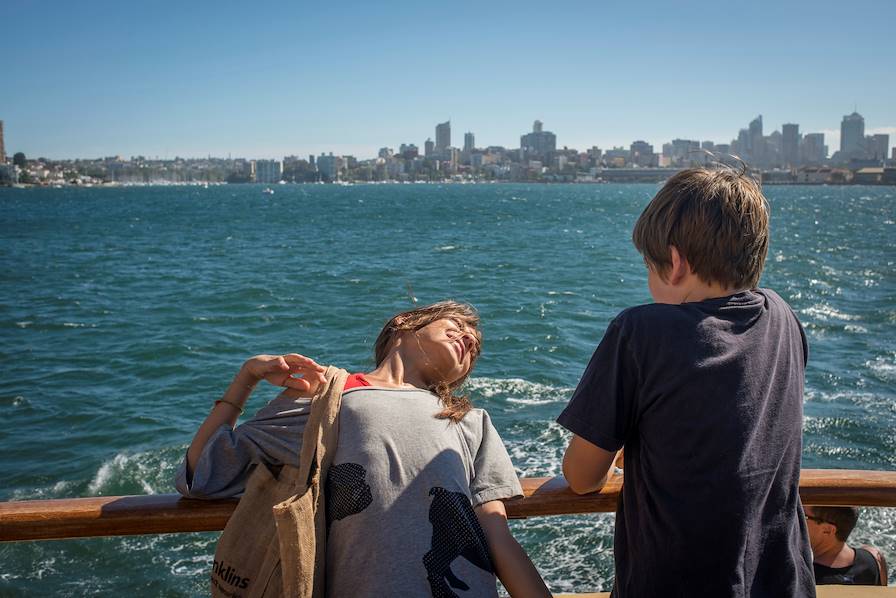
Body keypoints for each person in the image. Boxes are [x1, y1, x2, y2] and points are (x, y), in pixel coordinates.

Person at [556, 166, 815, 596]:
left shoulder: (640, 331)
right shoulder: (782, 316)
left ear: (674, 263)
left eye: (649, 267)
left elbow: (583, 477)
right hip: (780, 582)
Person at [176, 300, 550, 598]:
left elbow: (497, 535)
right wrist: (247, 377)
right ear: (405, 323)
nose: (470, 338)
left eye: (475, 346)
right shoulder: (330, 398)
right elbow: (202, 475)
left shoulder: (471, 421)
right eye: (457, 326)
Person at [805, 506, 888, 585]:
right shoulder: (876, 559)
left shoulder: (803, 575)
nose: (797, 518)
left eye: (804, 516)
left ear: (828, 530)